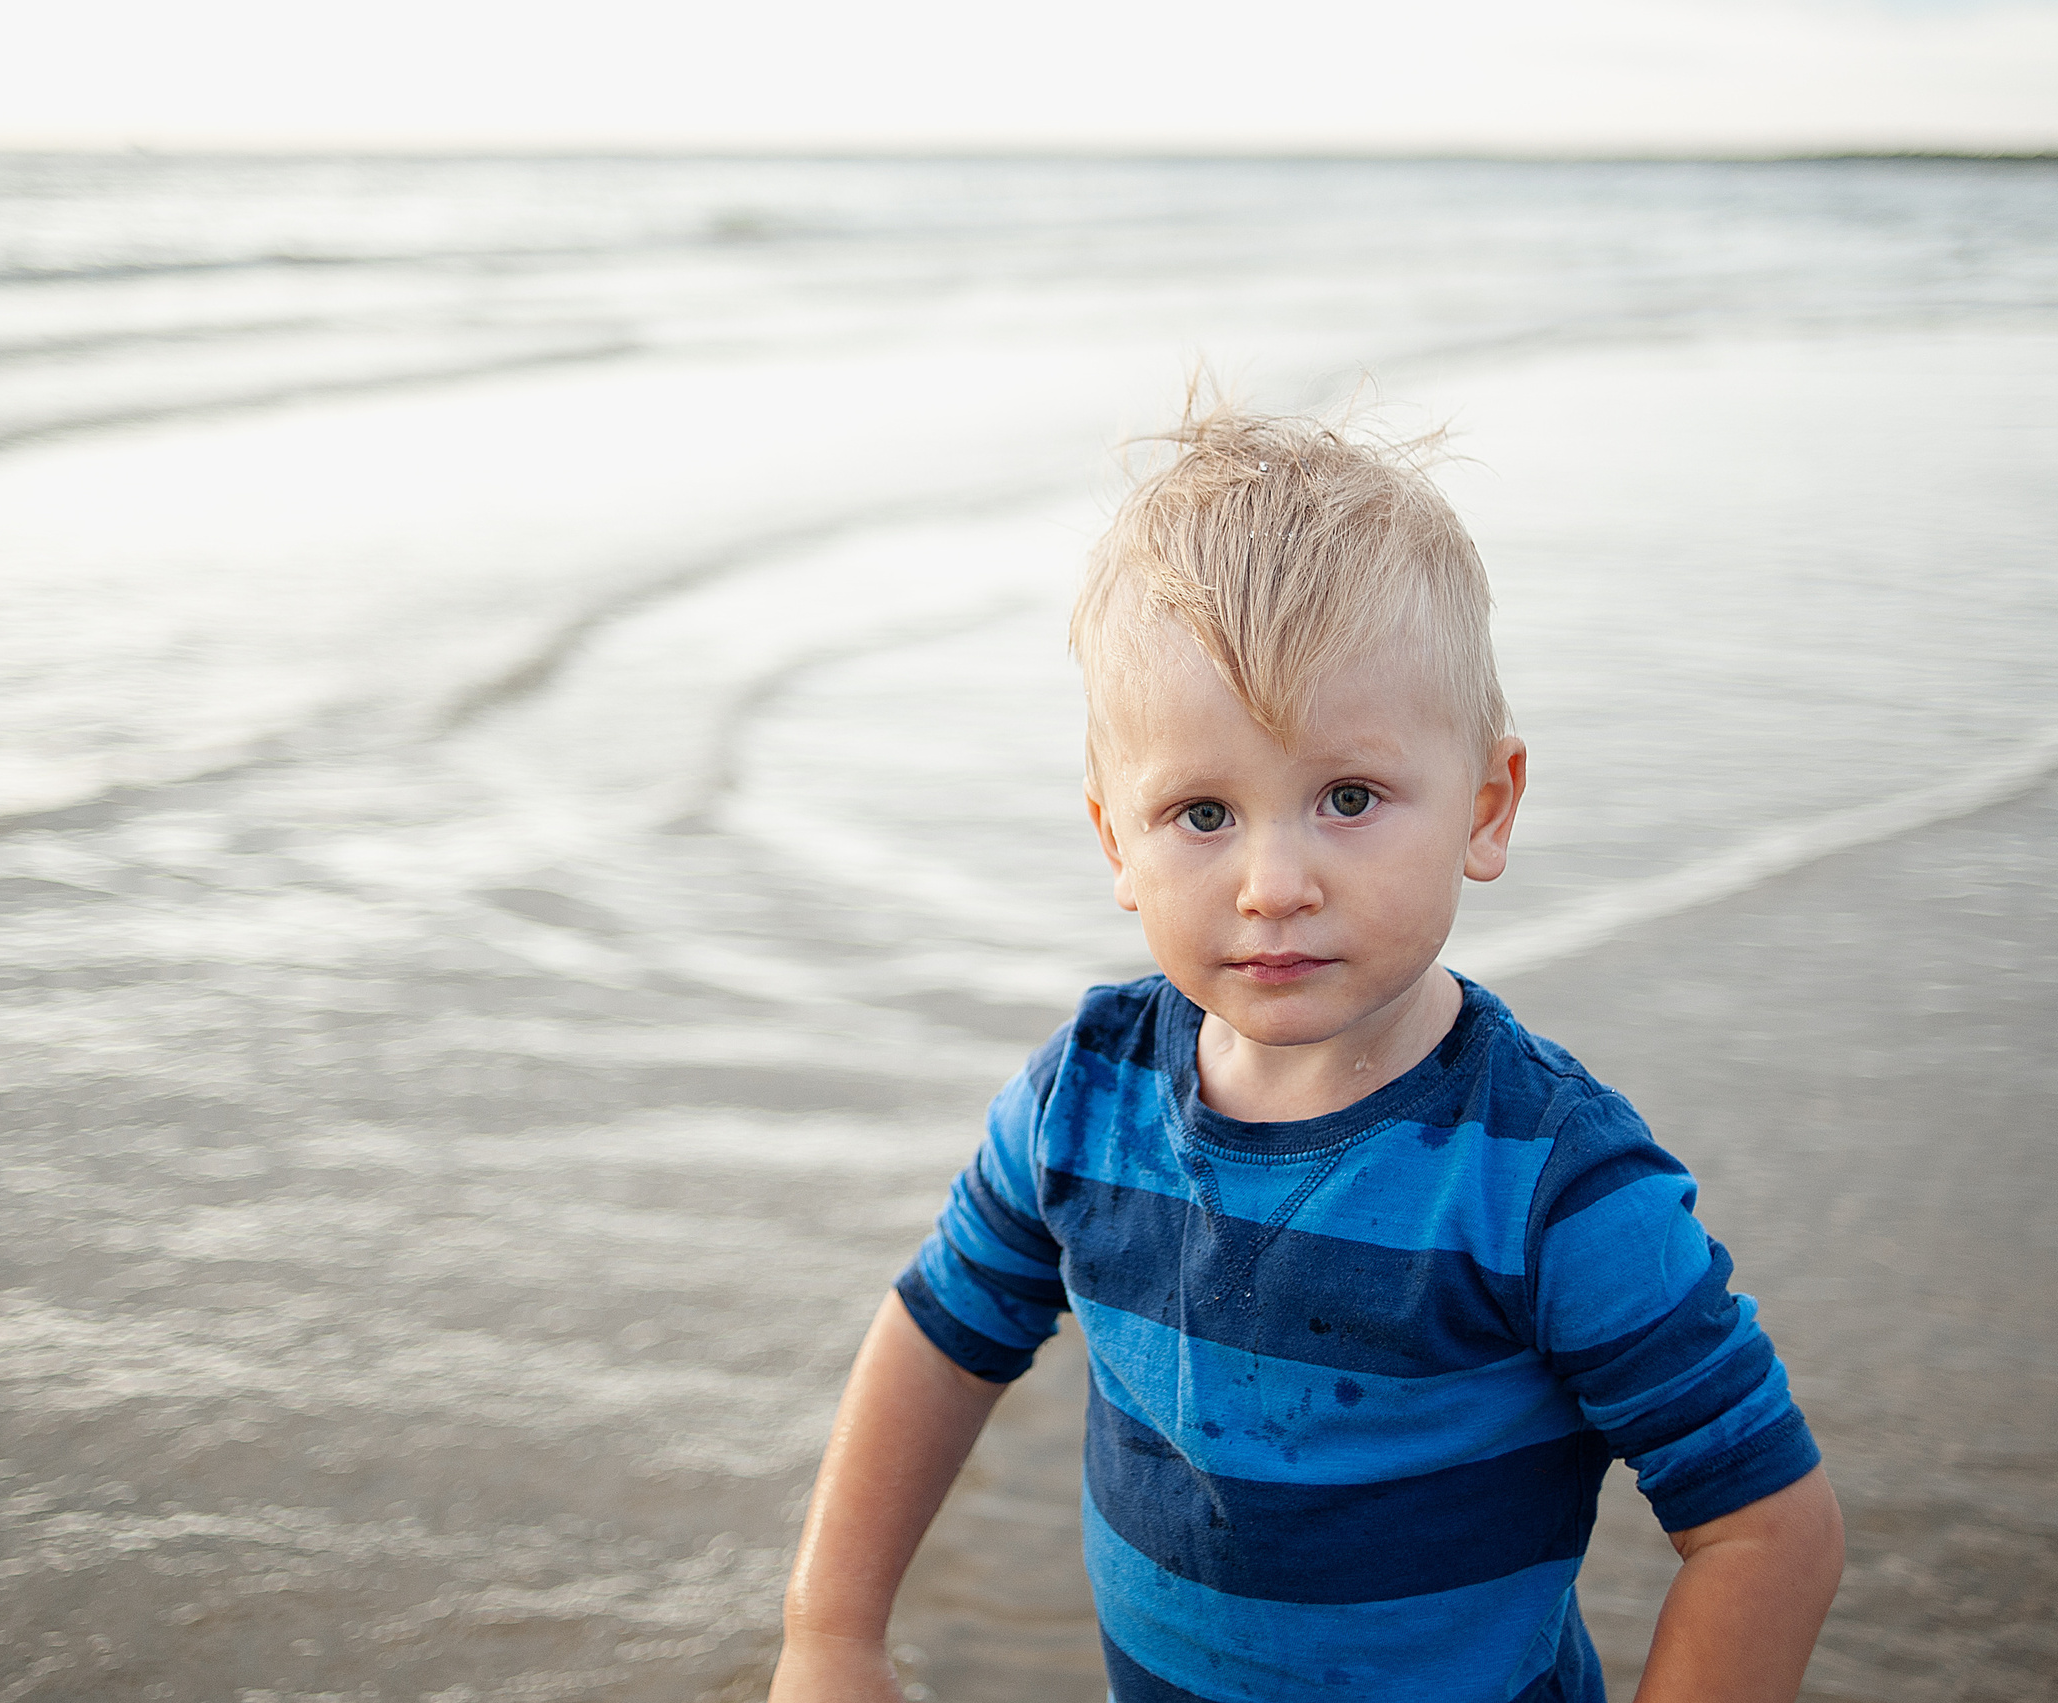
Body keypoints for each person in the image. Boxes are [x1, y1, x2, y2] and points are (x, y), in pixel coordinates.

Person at [769, 398, 1845, 1703]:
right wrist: (829, 1634)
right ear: (1117, 840)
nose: (1275, 882)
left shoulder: (1549, 1182)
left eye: (1347, 798)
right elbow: (939, 1339)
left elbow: (1764, 1528)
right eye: (1204, 812)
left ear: (1485, 809)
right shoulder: (1081, 1104)